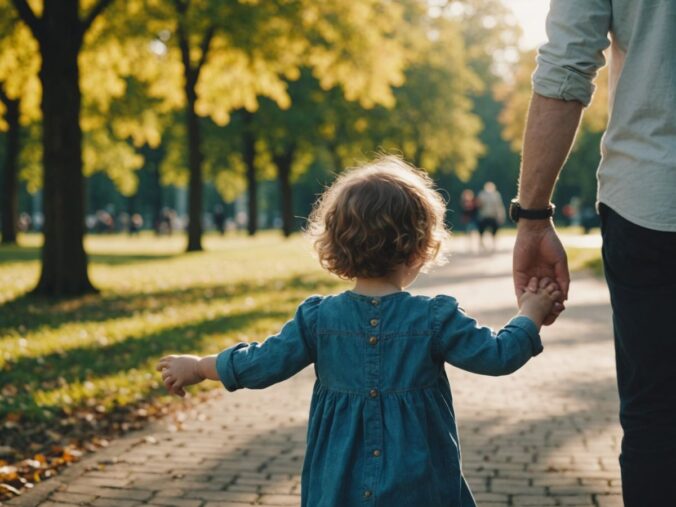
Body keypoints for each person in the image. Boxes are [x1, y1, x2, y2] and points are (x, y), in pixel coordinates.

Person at [157, 156, 561, 507]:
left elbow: (261, 364)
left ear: (337, 245)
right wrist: (530, 312)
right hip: (420, 485)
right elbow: (498, 356)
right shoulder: (434, 318)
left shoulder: (317, 319)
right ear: (420, 246)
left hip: (339, 485)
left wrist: (199, 367)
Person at [511, 1, 676, 504]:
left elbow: (567, 64)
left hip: (652, 196)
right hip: (649, 203)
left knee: (657, 416)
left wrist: (534, 216)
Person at [476, 181, 505, 252]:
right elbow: (478, 205)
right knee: (481, 230)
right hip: (484, 216)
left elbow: (499, 206)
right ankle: (481, 243)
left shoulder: (496, 195)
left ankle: (493, 244)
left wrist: (500, 216)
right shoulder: (482, 194)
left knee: (494, 231)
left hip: (493, 216)